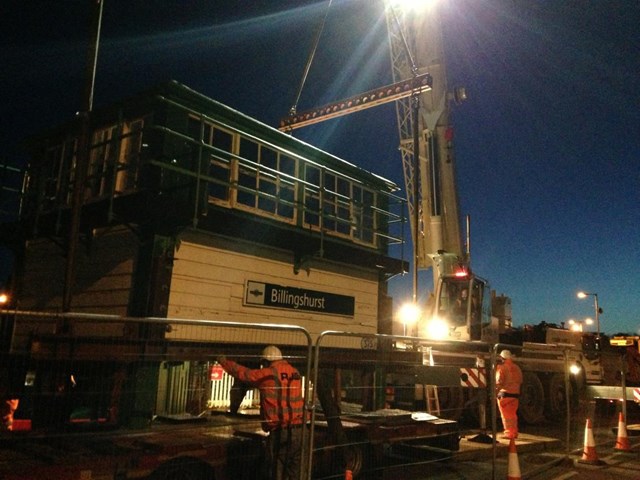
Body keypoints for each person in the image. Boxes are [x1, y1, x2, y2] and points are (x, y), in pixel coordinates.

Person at [218, 345, 304, 480]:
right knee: (295, 473)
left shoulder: (268, 374)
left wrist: (223, 361)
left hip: (280, 433)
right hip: (300, 431)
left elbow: (244, 374)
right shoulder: (295, 373)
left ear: (266, 361)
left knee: (276, 471)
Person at [495, 349, 523, 439]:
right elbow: (520, 380)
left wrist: (495, 392)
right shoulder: (517, 367)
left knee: (506, 416)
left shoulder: (502, 368)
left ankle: (508, 433)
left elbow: (499, 382)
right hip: (515, 395)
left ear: (502, 358)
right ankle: (514, 432)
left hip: (505, 395)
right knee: (513, 415)